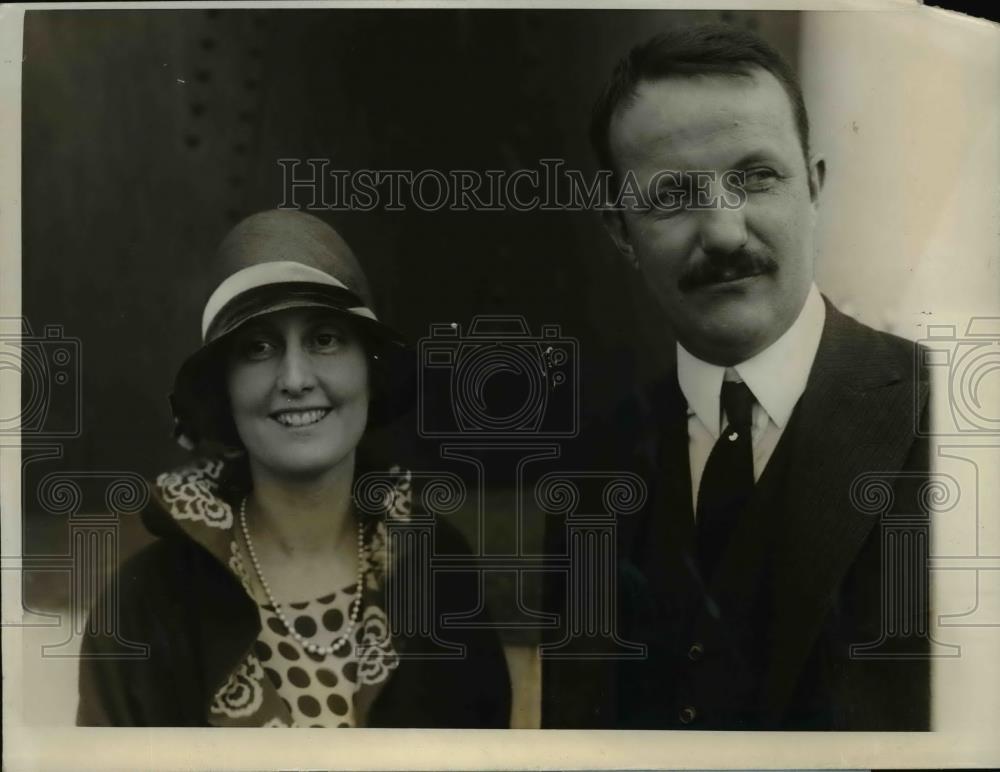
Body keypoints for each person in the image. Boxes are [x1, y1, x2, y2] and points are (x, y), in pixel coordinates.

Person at [542, 24, 931, 730]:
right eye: (671, 195)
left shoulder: (951, 425)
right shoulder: (591, 472)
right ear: (619, 230)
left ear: (813, 188)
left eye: (755, 176)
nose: (723, 232)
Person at [77, 209, 511, 727]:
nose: (296, 378)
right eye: (258, 347)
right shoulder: (147, 602)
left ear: (367, 369)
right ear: (224, 389)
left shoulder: (435, 566)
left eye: (325, 339)